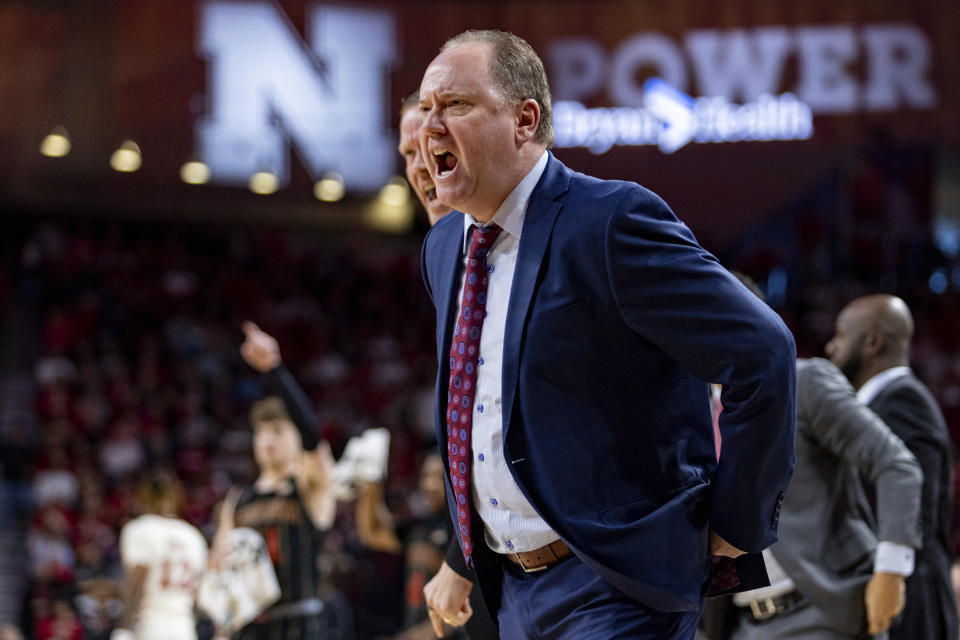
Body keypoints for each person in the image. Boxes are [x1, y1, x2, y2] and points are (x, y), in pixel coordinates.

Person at [417, 29, 796, 638]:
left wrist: (737, 523)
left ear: (524, 119)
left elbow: (764, 354)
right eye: (425, 107)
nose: (428, 124)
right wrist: (463, 556)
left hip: (616, 584)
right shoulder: (443, 247)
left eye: (456, 104)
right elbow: (478, 413)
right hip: (513, 592)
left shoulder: (611, 220)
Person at [399, 91, 497, 640]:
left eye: (431, 153)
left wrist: (461, 559)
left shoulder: (500, 248)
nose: (420, 170)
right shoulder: (445, 254)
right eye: (408, 155)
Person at [827, 294, 959, 640]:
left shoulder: (904, 400)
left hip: (909, 602)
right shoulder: (885, 402)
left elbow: (913, 506)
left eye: (841, 334)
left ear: (873, 341)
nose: (831, 347)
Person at [212, 321, 352, 639]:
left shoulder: (310, 485)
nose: (267, 440)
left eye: (276, 430)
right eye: (261, 431)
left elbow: (312, 437)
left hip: (301, 625)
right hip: (249, 629)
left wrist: (274, 369)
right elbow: (221, 571)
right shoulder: (238, 500)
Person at [113, 471, 207, 640]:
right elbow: (200, 595)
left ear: (144, 495)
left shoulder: (139, 529)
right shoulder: (193, 536)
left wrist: (124, 628)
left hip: (150, 627)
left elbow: (138, 581)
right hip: (184, 628)